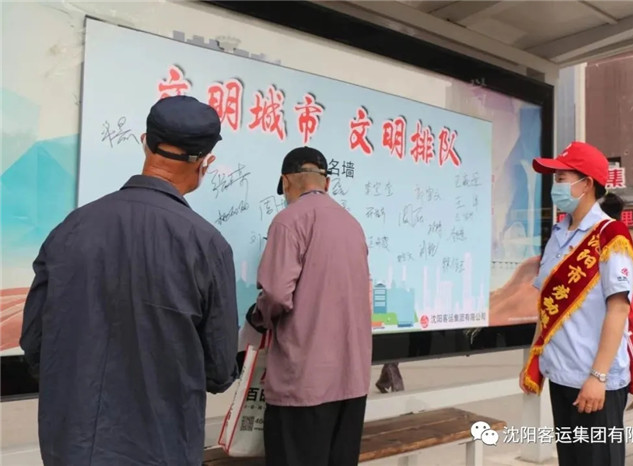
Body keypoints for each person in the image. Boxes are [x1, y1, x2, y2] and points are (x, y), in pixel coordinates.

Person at [20, 96, 239, 466]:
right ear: (204, 162)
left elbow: (35, 343)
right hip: (161, 449)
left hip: (71, 446)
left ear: (145, 143)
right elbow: (218, 370)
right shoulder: (207, 245)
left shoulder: (71, 228)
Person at [248, 147, 371, 466]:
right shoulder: (353, 225)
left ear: (286, 181)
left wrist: (259, 315)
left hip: (304, 384)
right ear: (326, 183)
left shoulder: (289, 221)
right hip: (352, 382)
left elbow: (276, 294)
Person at [520, 141, 633, 466]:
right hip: (562, 376)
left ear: (586, 184)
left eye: (561, 178)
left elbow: (619, 309)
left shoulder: (611, 235)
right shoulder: (558, 234)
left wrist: (598, 377)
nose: (555, 186)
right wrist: (535, 359)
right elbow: (547, 306)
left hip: (596, 381)